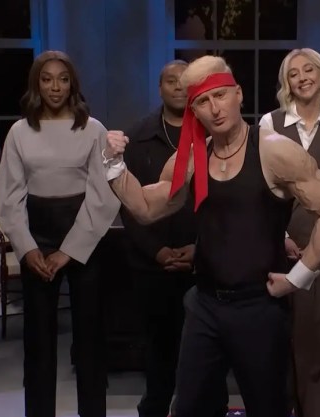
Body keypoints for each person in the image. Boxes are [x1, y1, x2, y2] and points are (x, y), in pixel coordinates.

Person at [102, 55, 320, 417]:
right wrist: (113, 163)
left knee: (268, 409)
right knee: (189, 409)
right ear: (194, 110)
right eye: (203, 101)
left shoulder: (274, 150)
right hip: (204, 305)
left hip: (259, 307)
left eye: (220, 95)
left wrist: (298, 276)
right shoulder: (191, 158)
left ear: (238, 94)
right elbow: (145, 208)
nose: (215, 108)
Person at [0, 50, 120, 417]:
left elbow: (102, 192)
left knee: (89, 336)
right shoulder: (19, 131)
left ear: (72, 85)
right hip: (36, 233)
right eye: (47, 79)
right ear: (37, 83)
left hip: (84, 231)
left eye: (63, 79)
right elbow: (9, 195)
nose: (55, 87)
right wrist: (27, 248)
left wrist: (70, 250)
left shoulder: (93, 129)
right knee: (38, 339)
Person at [259, 47, 320, 417]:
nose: (302, 78)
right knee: (277, 333)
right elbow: (265, 189)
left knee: (316, 335)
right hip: (276, 243)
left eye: (308, 70)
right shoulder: (269, 123)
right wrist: (280, 236)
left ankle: (313, 410)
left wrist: (317, 245)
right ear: (286, 83)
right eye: (293, 73)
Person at [120, 59, 198, 417]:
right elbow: (128, 204)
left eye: (185, 81)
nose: (179, 87)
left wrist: (199, 249)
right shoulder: (137, 137)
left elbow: (224, 203)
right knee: (159, 349)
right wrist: (157, 251)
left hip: (202, 263)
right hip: (151, 266)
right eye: (171, 81)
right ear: (160, 88)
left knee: (202, 352)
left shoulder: (211, 133)